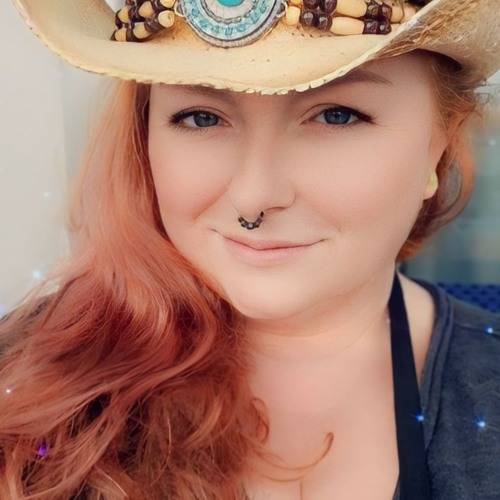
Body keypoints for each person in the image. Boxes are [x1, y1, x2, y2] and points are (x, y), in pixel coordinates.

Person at [1, 0, 499, 498]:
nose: (253, 196)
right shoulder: (19, 381)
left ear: (441, 144)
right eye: (201, 118)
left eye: (336, 115)